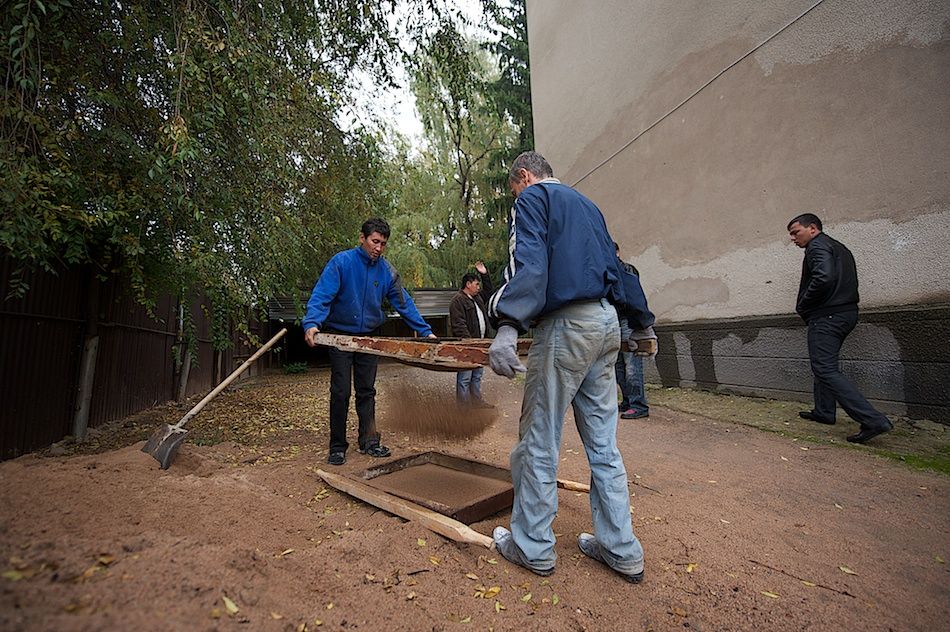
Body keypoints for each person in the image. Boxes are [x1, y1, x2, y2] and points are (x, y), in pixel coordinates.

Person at [486, 151, 654, 583]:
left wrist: (507, 323)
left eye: (514, 188)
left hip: (567, 327)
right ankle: (621, 549)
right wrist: (641, 322)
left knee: (539, 438)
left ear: (524, 176)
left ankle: (532, 546)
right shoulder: (587, 205)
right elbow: (616, 268)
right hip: (605, 325)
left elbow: (530, 263)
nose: (516, 196)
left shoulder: (533, 199)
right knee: (603, 444)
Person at [303, 218, 436, 465]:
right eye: (375, 241)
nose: (378, 248)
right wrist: (312, 323)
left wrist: (426, 332)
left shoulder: (386, 271)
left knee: (367, 391)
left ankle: (369, 441)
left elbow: (404, 303)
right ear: (362, 238)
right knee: (340, 392)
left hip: (369, 337)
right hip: (340, 337)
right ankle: (337, 446)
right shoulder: (341, 263)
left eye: (383, 244)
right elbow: (322, 295)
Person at [788, 213, 892, 444]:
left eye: (796, 232)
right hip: (845, 313)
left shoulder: (816, 247)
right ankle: (824, 411)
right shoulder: (838, 247)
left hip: (828, 316)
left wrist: (804, 303)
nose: (793, 238)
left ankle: (873, 420)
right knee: (824, 364)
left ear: (812, 228)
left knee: (824, 368)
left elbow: (823, 278)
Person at [448, 262, 494, 406]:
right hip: (468, 346)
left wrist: (484, 274)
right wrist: (469, 344)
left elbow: (489, 291)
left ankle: (476, 402)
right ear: (468, 284)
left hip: (479, 344)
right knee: (465, 377)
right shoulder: (457, 301)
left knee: (477, 375)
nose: (478, 287)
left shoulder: (477, 298)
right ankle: (464, 408)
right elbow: (459, 325)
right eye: (476, 284)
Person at [614, 242, 650, 419]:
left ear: (618, 252)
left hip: (628, 321)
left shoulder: (627, 270)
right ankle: (628, 400)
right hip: (614, 322)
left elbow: (633, 296)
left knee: (632, 365)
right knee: (619, 364)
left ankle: (639, 405)